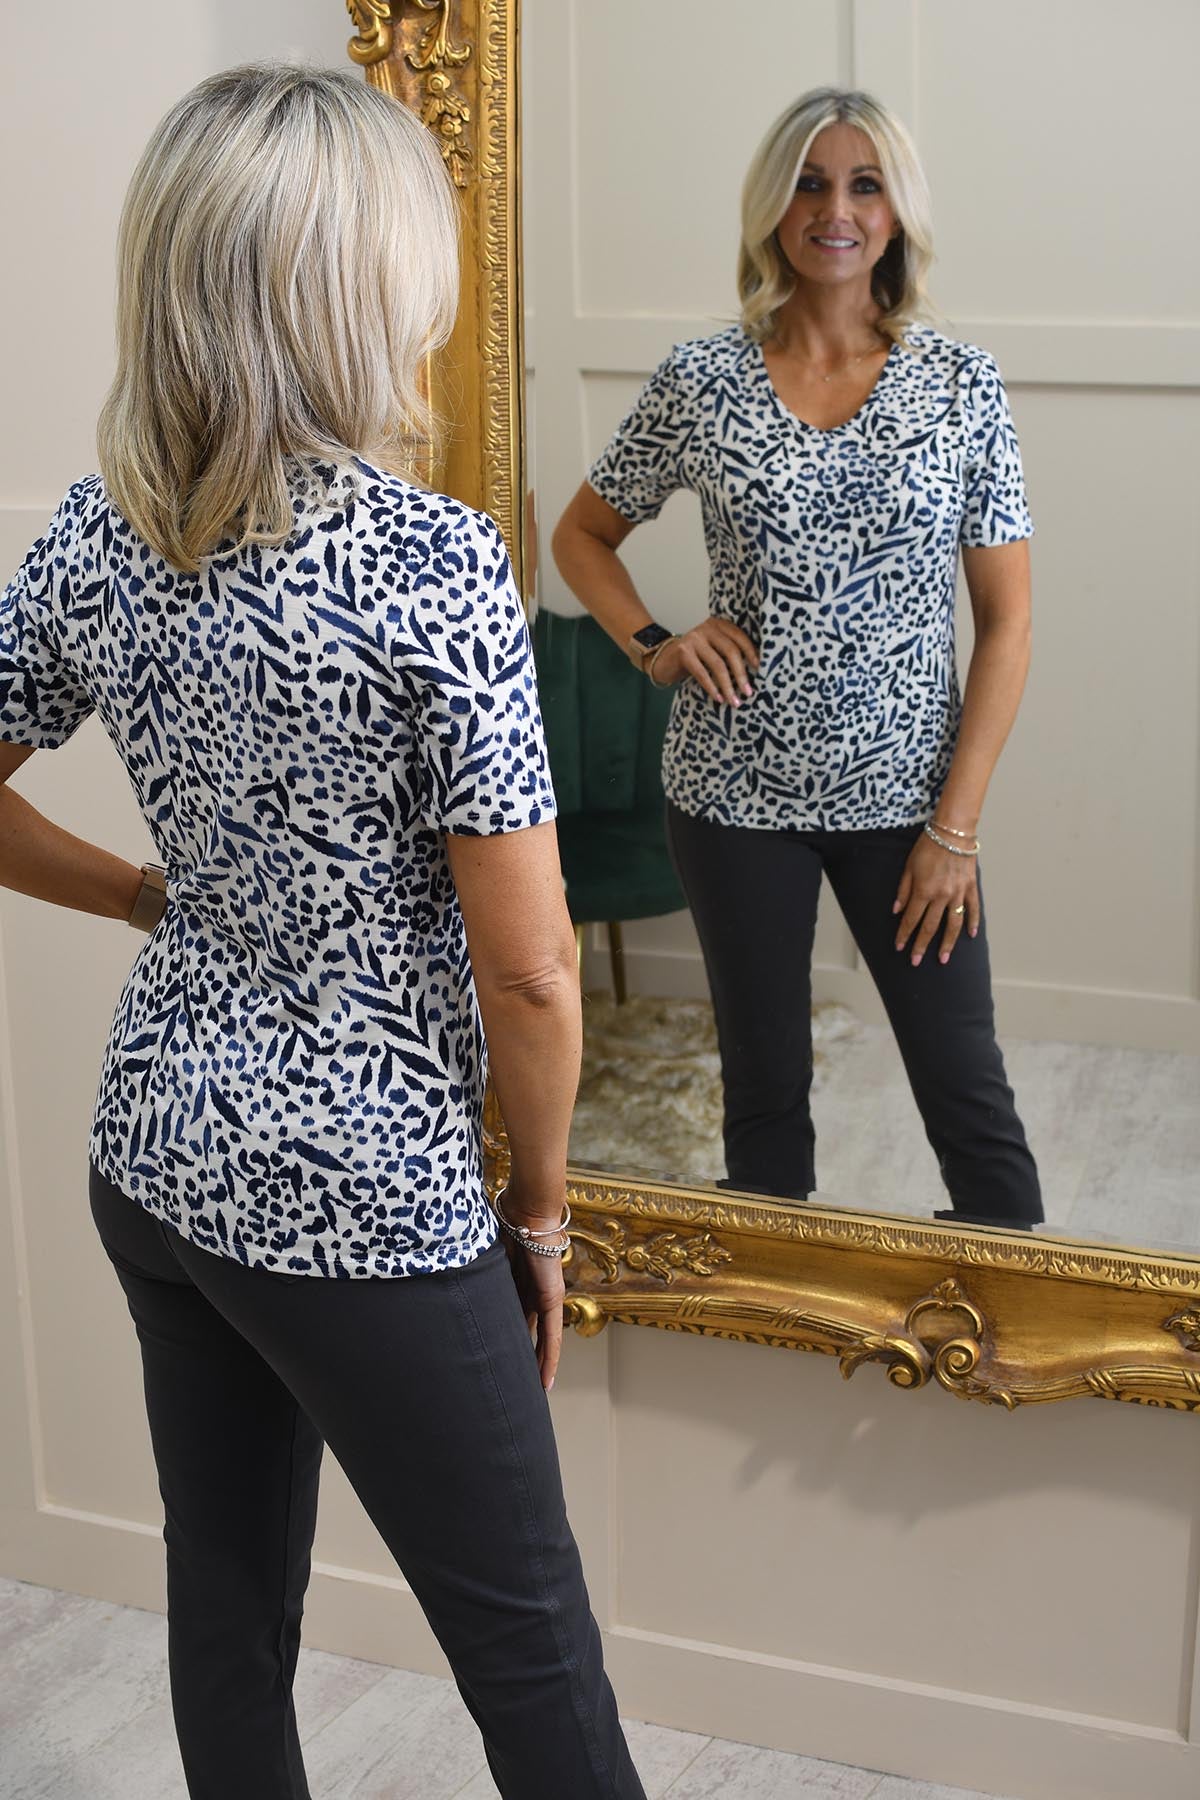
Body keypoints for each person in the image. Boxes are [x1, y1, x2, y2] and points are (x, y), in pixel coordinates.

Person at [0, 64, 646, 1800]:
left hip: (158, 1153)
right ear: (361, 282)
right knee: (537, 1663)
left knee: (227, 1611)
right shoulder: (432, 564)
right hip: (365, 1195)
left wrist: (152, 896)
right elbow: (534, 969)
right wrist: (542, 1214)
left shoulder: (101, 529)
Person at [552, 87, 1042, 1231]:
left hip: (909, 810)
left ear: (898, 210)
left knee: (967, 1093)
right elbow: (582, 535)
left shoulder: (960, 385)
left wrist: (955, 831)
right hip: (731, 798)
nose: (837, 210)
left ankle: (1016, 1313)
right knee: (764, 1096)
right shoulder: (702, 379)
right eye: (811, 184)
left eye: (865, 184)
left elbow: (1008, 624)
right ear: (773, 206)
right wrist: (657, 645)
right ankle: (770, 1321)